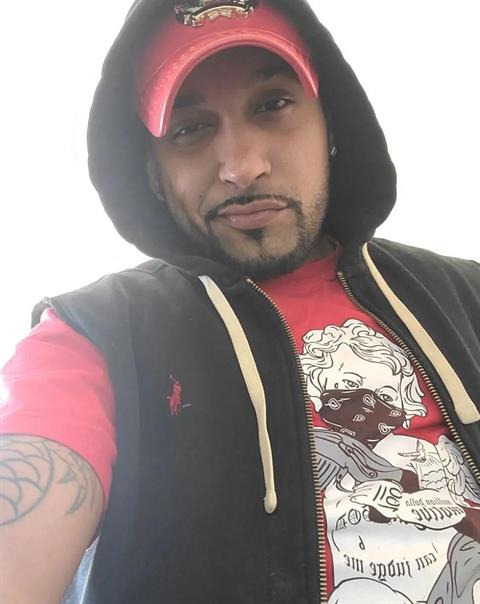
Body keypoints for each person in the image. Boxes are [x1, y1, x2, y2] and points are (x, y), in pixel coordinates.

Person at [1, 0, 479, 602]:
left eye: (273, 105)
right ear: (152, 173)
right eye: (190, 129)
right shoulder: (94, 335)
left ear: (331, 125)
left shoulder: (465, 296)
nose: (243, 167)